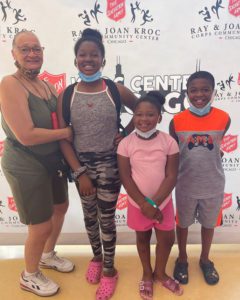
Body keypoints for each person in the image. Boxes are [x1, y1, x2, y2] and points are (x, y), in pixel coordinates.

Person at [57, 28, 137, 300]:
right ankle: (95, 257)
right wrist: (80, 174)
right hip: (80, 166)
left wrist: (125, 133)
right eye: (82, 55)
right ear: (75, 59)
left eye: (94, 55)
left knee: (106, 218)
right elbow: (64, 139)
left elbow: (143, 110)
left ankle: (109, 270)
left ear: (103, 60)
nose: (87, 59)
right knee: (89, 218)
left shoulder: (114, 89)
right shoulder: (67, 95)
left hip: (110, 165)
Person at [0, 31, 74, 297]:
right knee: (40, 224)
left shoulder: (46, 85)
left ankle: (47, 255)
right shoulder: (9, 84)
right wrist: (66, 133)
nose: (32, 54)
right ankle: (29, 275)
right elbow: (26, 134)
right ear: (14, 54)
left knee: (61, 207)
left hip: (52, 160)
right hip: (24, 162)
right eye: (25, 49)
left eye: (36, 49)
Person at [117, 91, 183, 300]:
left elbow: (171, 176)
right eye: (139, 114)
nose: (144, 119)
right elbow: (125, 177)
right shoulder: (125, 143)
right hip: (138, 205)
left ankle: (160, 272)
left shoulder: (168, 142)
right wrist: (143, 204)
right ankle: (147, 272)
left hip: (162, 204)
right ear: (133, 117)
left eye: (150, 114)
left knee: (167, 239)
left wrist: (154, 204)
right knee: (142, 239)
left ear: (160, 117)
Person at [169, 71, 231, 286]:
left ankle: (205, 259)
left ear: (213, 92)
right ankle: (182, 258)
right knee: (182, 224)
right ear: (187, 92)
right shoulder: (176, 121)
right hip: (185, 185)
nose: (199, 94)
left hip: (213, 185)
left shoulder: (224, 118)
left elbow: (217, 146)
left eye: (205, 89)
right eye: (194, 90)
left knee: (208, 225)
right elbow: (173, 152)